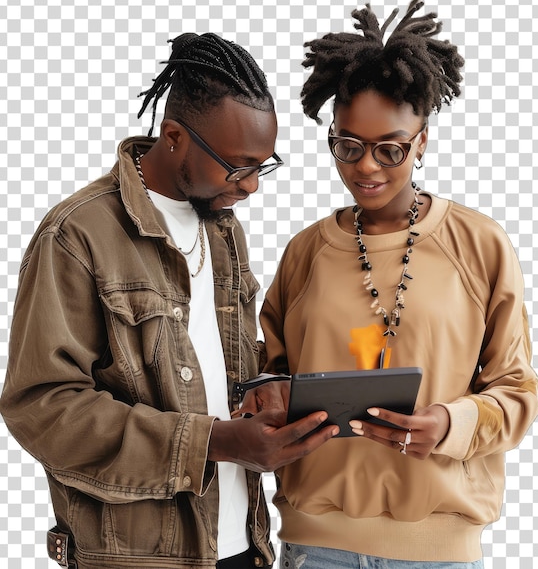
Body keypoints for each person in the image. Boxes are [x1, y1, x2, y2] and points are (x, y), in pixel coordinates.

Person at [0, 32, 337, 569]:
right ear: (175, 136)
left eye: (262, 165)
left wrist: (268, 390)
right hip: (139, 556)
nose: (251, 187)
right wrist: (214, 443)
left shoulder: (222, 228)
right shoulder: (78, 235)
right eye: (238, 165)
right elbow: (42, 407)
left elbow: (202, 359)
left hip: (241, 547)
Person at [260, 0, 538, 568]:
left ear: (422, 142)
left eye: (391, 149)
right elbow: (265, 377)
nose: (366, 167)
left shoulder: (480, 245)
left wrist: (449, 423)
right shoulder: (305, 253)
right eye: (347, 146)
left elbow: (518, 393)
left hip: (436, 549)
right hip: (318, 546)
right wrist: (268, 399)